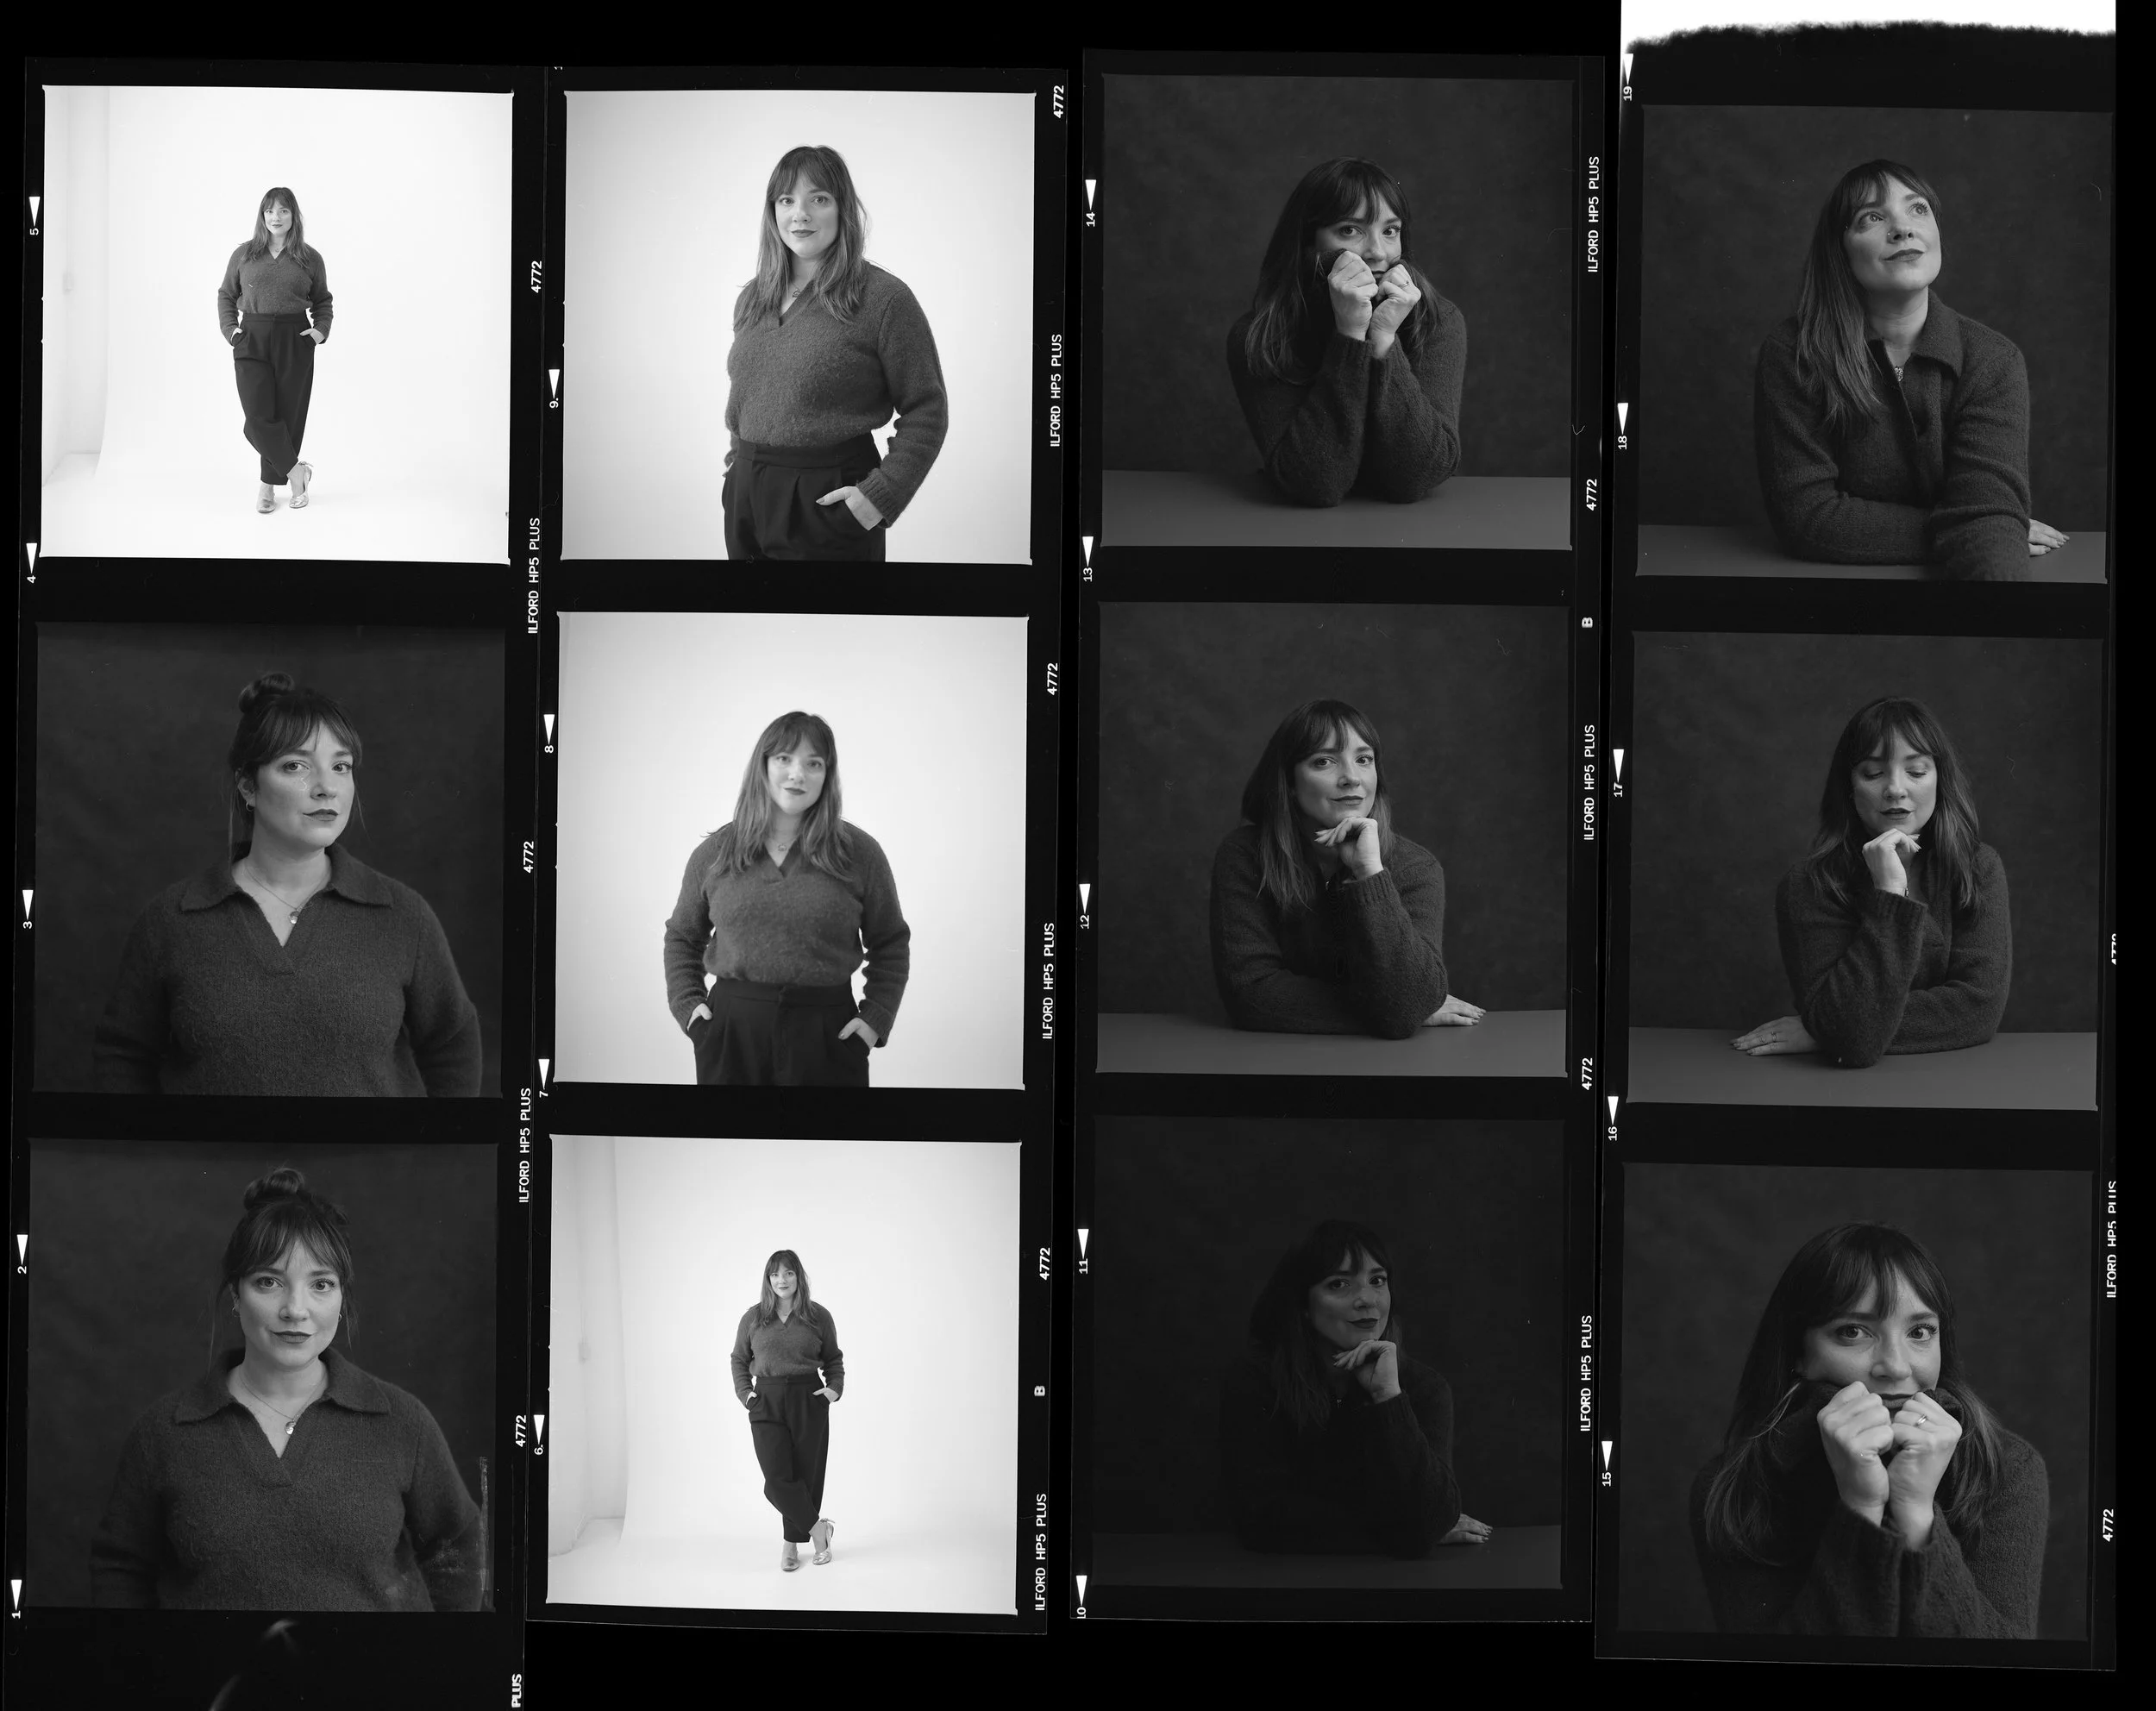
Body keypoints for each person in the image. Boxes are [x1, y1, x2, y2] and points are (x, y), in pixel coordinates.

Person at [91, 1168, 482, 1609]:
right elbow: (120, 1568)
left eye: (320, 1285)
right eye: (269, 1282)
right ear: (236, 1296)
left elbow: (458, 1548)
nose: (295, 1310)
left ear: (341, 1300)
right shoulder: (165, 1430)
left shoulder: (402, 1421)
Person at [93, 674, 484, 1095]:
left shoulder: (404, 915)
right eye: (296, 766)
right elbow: (123, 1057)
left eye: (341, 766)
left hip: (370, 1162)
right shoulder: (173, 918)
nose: (326, 788)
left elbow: (452, 1044)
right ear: (248, 786)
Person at [1690, 1222, 2047, 1636]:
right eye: (1853, 1332)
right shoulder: (1731, 1488)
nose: (1895, 1366)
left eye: (1919, 1332)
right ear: (1797, 1352)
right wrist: (1860, 1507)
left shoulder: (2009, 1469)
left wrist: (1914, 1512)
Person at [1753, 160, 2066, 579]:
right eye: (1872, 217)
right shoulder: (1794, 353)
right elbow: (1807, 518)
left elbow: (1989, 527)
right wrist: (1973, 525)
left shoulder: (1994, 360)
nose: (1902, 229)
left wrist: (1992, 530)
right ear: (1841, 250)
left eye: (1918, 209)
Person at [1733, 696, 2009, 1067]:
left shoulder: (1978, 868)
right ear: (1849, 786)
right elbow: (1852, 1038)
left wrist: (1828, 1030)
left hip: (1956, 1082)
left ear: (1940, 780)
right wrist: (1890, 895)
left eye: (1917, 771)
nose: (1895, 789)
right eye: (1873, 773)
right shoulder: (1809, 886)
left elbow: (1980, 1009)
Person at [723, 145, 949, 560]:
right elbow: (748, 398)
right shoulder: (754, 299)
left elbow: (928, 409)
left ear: (843, 209)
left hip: (827, 501)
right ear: (772, 211)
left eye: (819, 199)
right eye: (787, 200)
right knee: (754, 624)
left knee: (833, 625)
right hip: (746, 497)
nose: (800, 214)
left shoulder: (883, 299)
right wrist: (736, 473)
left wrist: (880, 497)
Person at [663, 711, 910, 1086]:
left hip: (830, 1037)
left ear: (828, 776)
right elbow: (682, 937)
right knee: (731, 1145)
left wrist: (874, 1020)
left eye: (814, 763)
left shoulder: (859, 854)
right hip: (731, 1038)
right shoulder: (716, 854)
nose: (798, 774)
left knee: (827, 1145)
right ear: (762, 765)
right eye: (784, 759)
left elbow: (890, 942)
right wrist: (691, 1012)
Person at [1209, 699, 1482, 1036]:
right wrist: (1389, 1012)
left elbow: (1412, 998)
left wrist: (1370, 873)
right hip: (1277, 1063)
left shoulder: (1416, 867)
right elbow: (1250, 995)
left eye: (1364, 759)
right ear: (1290, 783)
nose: (1351, 778)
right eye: (1324, 761)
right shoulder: (1245, 855)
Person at [1219, 1219, 1489, 1557]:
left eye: (1377, 1280)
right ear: (1304, 1305)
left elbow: (1431, 1516)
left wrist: (1388, 1398)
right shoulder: (1256, 1379)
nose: (1367, 1300)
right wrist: (1400, 1532)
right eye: (1339, 1284)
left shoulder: (1424, 1388)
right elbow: (1262, 1522)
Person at [1225, 157, 1465, 508]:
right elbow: (1314, 483)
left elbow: (1419, 475)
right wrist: (1351, 335)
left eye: (1390, 231)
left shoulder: (1438, 321)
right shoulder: (1259, 337)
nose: (1378, 253)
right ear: (1310, 241)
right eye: (1350, 230)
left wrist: (1383, 339)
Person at [217, 186, 333, 515]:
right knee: (257, 418)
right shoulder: (245, 254)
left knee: (288, 416)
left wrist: (318, 333)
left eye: (283, 211)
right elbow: (226, 295)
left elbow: (323, 301)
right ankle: (297, 473)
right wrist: (231, 331)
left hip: (294, 338)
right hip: (251, 337)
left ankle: (268, 485)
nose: (276, 217)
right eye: (270, 211)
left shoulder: (310, 258)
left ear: (293, 215)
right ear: (262, 215)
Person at [730, 1250, 843, 1571]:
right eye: (776, 1274)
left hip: (809, 1397)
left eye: (789, 1273)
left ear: (799, 1277)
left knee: (805, 1476)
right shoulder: (753, 1318)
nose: (783, 1280)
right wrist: (746, 1395)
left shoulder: (818, 1316)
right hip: (766, 1399)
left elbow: (834, 1359)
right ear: (768, 1279)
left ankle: (790, 1544)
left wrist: (833, 1390)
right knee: (777, 1480)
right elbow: (739, 1359)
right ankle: (819, 1530)